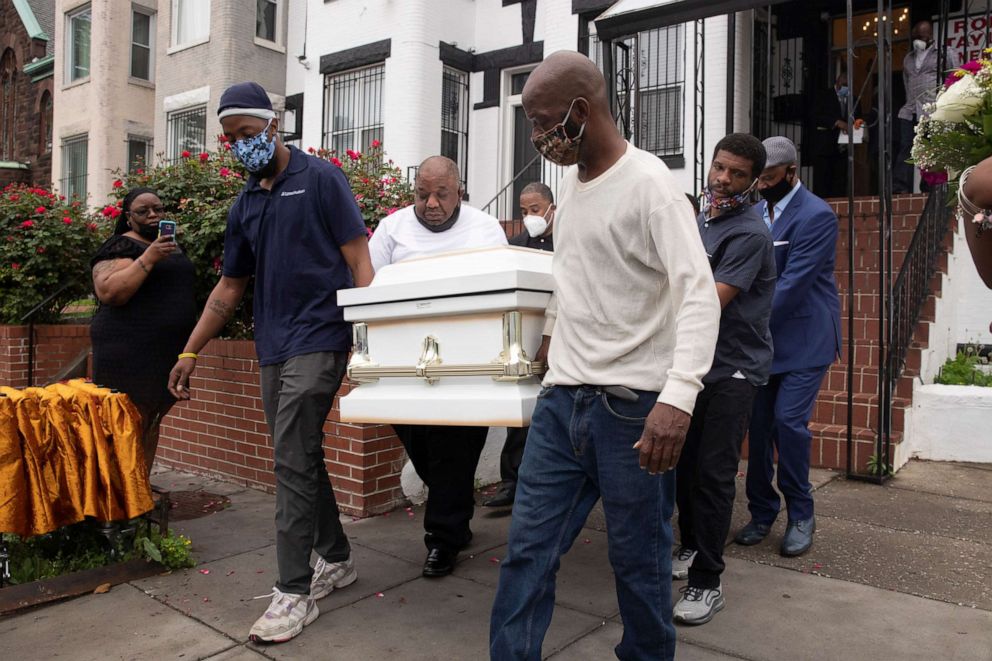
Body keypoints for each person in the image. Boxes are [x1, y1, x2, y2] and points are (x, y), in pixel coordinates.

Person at [489, 51, 721, 661]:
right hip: (562, 403)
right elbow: (573, 284)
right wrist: (547, 352)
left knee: (639, 563)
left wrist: (679, 397)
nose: (538, 137)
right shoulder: (571, 186)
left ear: (582, 111)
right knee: (527, 552)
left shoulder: (651, 186)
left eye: (544, 122)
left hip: (634, 411)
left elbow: (697, 296)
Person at [167, 82, 374, 644]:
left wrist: (367, 339)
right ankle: (335, 557)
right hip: (273, 346)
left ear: (273, 123)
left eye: (248, 132)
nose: (240, 144)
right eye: (230, 138)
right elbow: (229, 288)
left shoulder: (322, 179)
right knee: (300, 453)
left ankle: (293, 592)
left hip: (322, 336)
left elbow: (360, 261)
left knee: (289, 459)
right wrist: (190, 349)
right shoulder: (245, 204)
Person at [368, 155, 508, 578]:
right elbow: (368, 284)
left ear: (458, 191)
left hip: (467, 363)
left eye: (441, 194)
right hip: (404, 363)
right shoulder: (392, 228)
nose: (430, 203)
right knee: (425, 447)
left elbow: (501, 287)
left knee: (454, 448)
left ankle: (442, 540)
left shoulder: (484, 229)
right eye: (421, 194)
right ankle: (456, 509)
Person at [673, 134, 775, 626]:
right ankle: (691, 547)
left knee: (714, 475)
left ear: (754, 180)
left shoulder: (750, 233)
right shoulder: (701, 220)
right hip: (696, 362)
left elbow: (708, 302)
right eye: (719, 168)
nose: (722, 180)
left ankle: (707, 582)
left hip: (734, 368)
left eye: (736, 174)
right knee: (684, 465)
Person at [735, 137, 841, 558]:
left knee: (787, 424)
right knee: (757, 430)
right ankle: (762, 512)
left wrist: (737, 323)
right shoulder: (757, 211)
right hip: (763, 341)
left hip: (804, 338)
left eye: (769, 177)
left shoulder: (817, 215)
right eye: (757, 177)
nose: (761, 185)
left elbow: (792, 285)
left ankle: (801, 512)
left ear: (791, 173)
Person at [90, 187, 196, 475]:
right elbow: (110, 292)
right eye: (143, 211)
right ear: (128, 217)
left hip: (166, 351)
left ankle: (140, 491)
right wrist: (148, 258)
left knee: (151, 419)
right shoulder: (122, 245)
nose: (153, 215)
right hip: (129, 351)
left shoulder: (169, 245)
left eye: (158, 210)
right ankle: (119, 498)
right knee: (127, 422)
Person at [484, 182, 556, 509]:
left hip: (558, 332)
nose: (529, 217)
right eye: (524, 211)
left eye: (535, 210)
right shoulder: (515, 245)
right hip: (523, 336)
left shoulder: (565, 241)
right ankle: (511, 481)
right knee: (519, 414)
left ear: (551, 208)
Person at [895, 21, 959, 194]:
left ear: (931, 35)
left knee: (930, 149)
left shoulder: (945, 53)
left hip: (932, 108)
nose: (920, 39)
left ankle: (929, 186)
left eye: (923, 36)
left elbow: (955, 76)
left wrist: (945, 101)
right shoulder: (908, 58)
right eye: (917, 36)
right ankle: (900, 187)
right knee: (906, 148)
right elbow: (906, 82)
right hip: (910, 110)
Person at [812, 72, 855, 199]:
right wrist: (836, 122)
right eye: (844, 84)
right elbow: (815, 116)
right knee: (823, 183)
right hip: (825, 147)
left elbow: (858, 118)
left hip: (843, 148)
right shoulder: (824, 96)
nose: (846, 87)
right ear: (838, 82)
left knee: (840, 182)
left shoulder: (854, 99)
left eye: (848, 85)